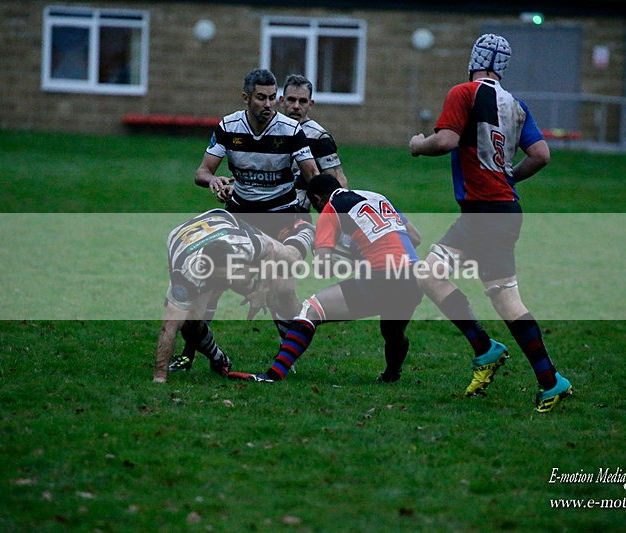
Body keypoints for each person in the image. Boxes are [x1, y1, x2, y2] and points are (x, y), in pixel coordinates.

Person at [408, 33, 572, 412]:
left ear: (473, 62)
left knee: (432, 276)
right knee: (499, 295)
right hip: (503, 212)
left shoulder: (464, 92)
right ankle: (546, 378)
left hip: (483, 213)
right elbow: (541, 155)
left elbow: (446, 141)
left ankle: (490, 351)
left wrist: (418, 145)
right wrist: (509, 177)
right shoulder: (515, 105)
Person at [228, 173, 423, 383]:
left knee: (309, 310)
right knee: (393, 332)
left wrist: (342, 253)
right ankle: (391, 376)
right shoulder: (377, 197)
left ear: (318, 199)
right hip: (414, 278)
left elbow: (323, 268)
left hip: (383, 279)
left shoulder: (330, 210)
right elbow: (415, 237)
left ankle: (272, 375)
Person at [152, 208, 313, 383]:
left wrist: (262, 290)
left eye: (230, 274)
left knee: (289, 262)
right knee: (189, 324)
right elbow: (168, 328)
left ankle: (305, 231)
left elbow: (268, 251)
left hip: (225, 222)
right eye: (222, 279)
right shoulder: (186, 275)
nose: (227, 284)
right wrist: (159, 377)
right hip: (182, 237)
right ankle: (219, 359)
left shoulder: (242, 244)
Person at [194, 68, 320, 239]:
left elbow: (313, 175)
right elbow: (202, 173)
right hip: (240, 211)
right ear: (246, 98)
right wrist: (213, 179)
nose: (268, 104)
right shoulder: (228, 127)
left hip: (281, 212)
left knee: (278, 264)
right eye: (261, 98)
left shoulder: (291, 130)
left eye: (272, 97)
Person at [279, 74, 348, 213]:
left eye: (302, 101)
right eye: (291, 100)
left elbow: (338, 182)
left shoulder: (319, 138)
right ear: (281, 101)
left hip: (296, 213)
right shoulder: (271, 129)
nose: (296, 106)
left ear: (310, 104)